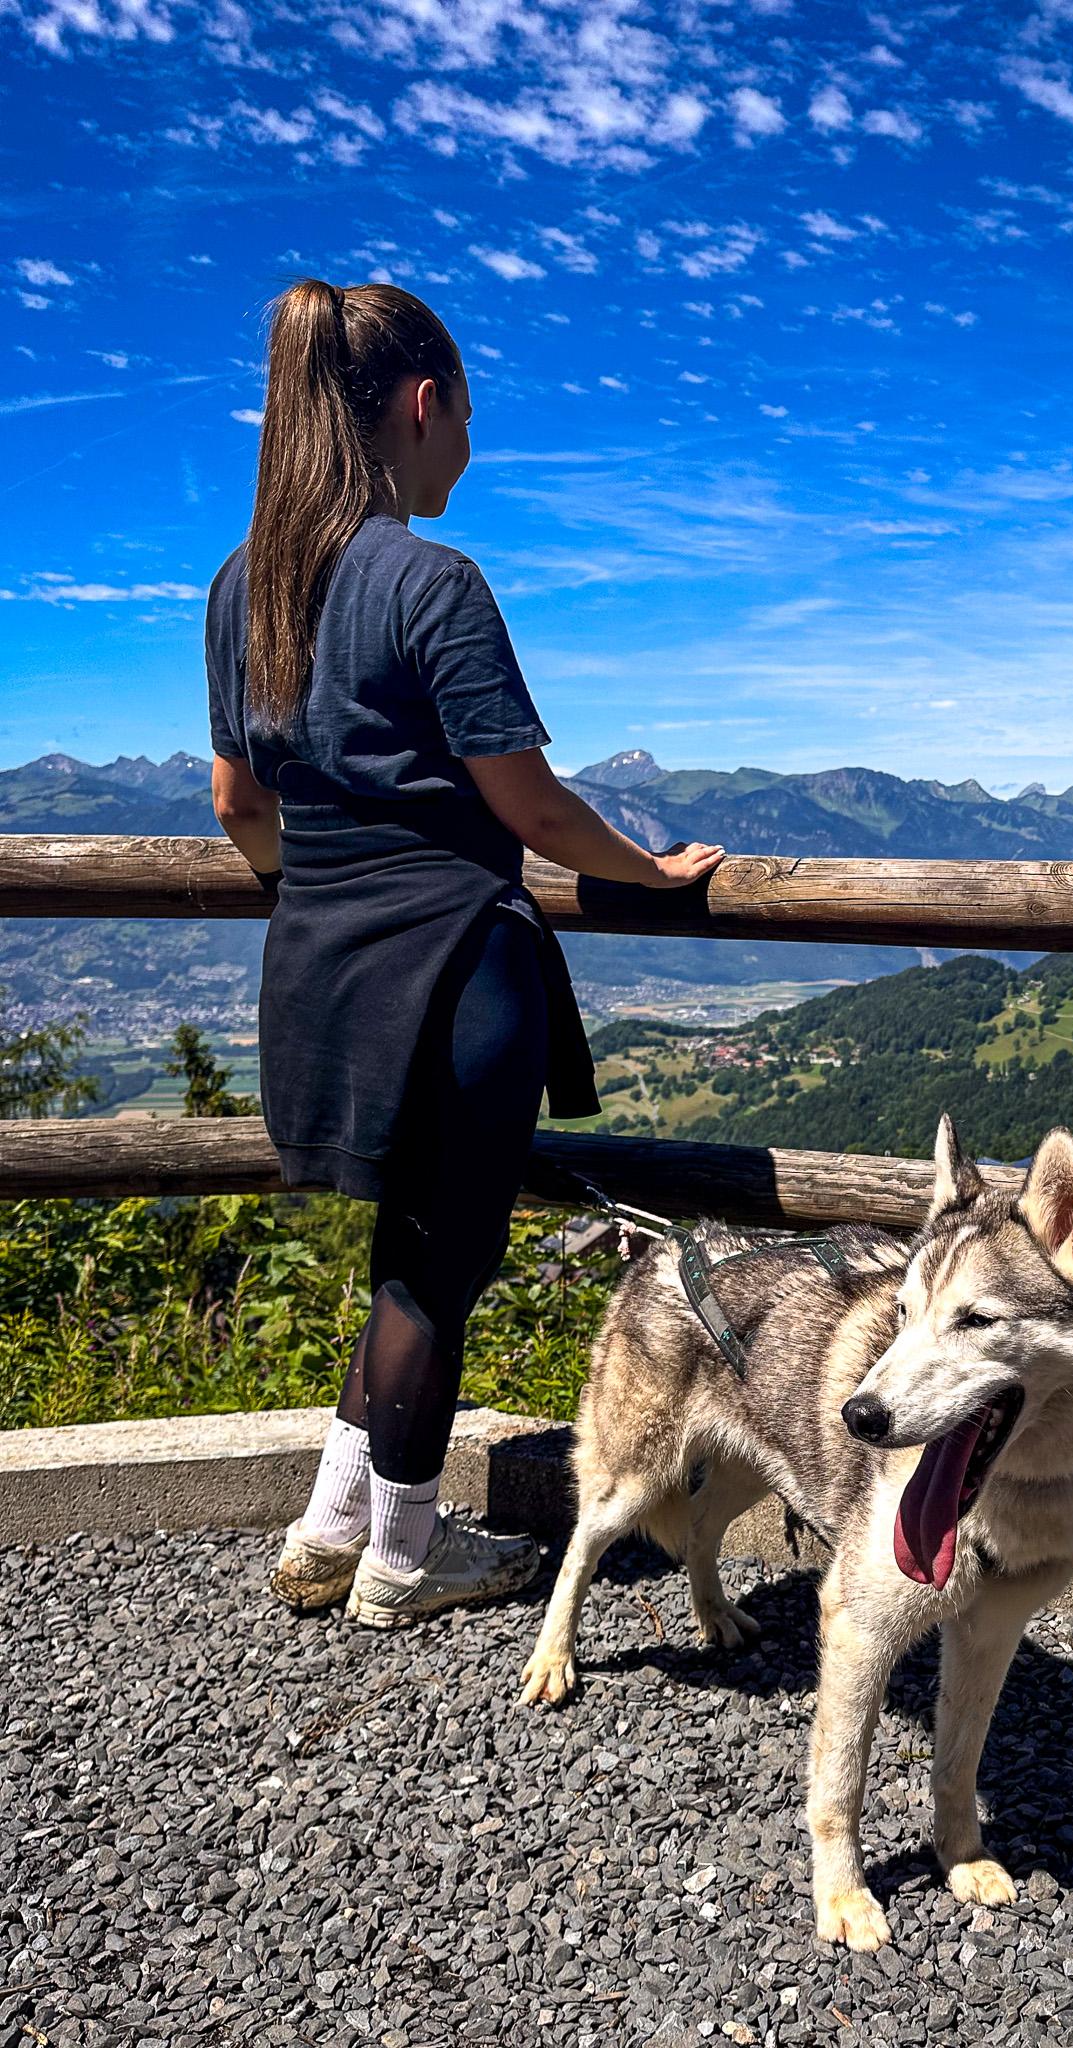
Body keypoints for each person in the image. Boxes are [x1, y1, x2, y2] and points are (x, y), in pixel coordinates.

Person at [205, 278, 725, 1629]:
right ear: (423, 406)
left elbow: (238, 808)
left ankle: (335, 1525)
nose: (472, 451)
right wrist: (657, 873)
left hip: (322, 979)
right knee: (442, 1267)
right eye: (469, 418)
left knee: (403, 1251)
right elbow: (534, 809)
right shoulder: (434, 582)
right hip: (453, 975)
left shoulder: (239, 588)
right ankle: (407, 1556)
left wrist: (319, 892)